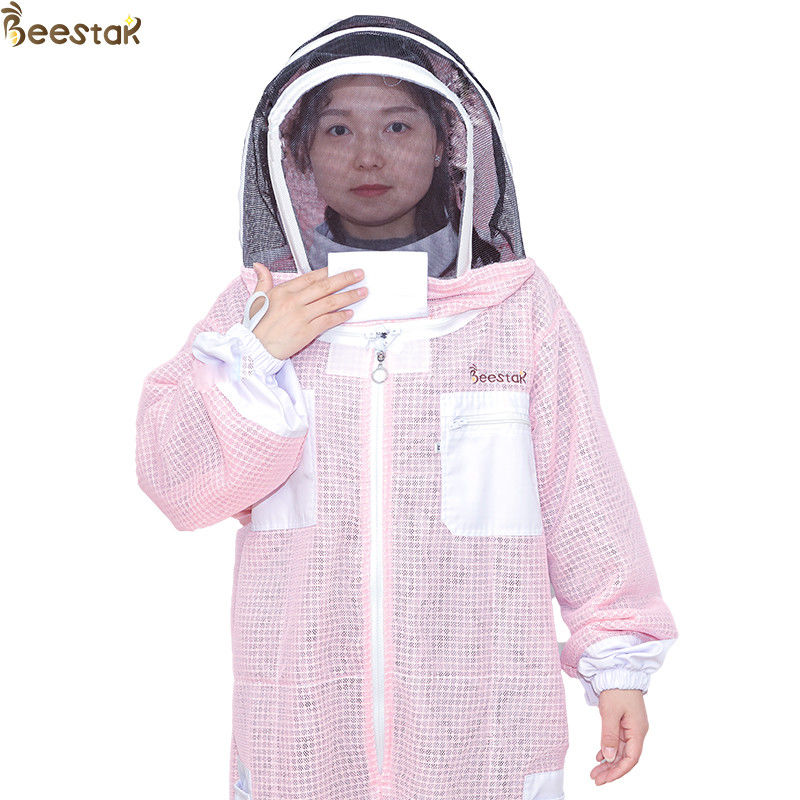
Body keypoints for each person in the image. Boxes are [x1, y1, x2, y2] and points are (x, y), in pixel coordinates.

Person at [135, 15, 678, 800]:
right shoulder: (257, 309)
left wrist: (616, 661)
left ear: (447, 144)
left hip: (484, 734)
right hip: (303, 735)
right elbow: (179, 484)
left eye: (397, 125)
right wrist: (255, 356)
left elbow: (583, 494)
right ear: (297, 156)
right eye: (337, 129)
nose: (367, 155)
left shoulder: (516, 309)